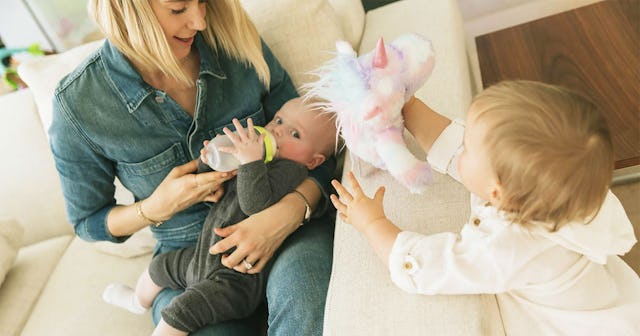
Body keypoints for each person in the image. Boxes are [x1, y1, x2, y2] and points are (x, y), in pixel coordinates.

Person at [49, 1, 336, 334]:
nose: (200, 21)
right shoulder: (79, 104)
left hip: (289, 230)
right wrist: (155, 208)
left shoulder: (234, 41)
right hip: (190, 256)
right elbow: (88, 221)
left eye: (203, 2)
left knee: (304, 301)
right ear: (126, 9)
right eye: (178, 8)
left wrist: (284, 215)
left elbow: (321, 149)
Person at [330, 80, 640, 335]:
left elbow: (426, 266)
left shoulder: (508, 245)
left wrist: (372, 223)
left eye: (470, 145)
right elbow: (453, 145)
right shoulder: (554, 189)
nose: (461, 144)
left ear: (497, 192)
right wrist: (407, 105)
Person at [103, 98, 337, 335]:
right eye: (278, 119)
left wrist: (250, 161)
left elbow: (254, 203)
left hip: (234, 280)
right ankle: (137, 300)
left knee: (185, 308)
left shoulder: (291, 170)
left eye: (294, 133)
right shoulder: (257, 159)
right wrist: (209, 162)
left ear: (313, 161)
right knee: (160, 266)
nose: (277, 130)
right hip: (202, 256)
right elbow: (223, 185)